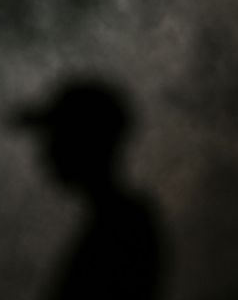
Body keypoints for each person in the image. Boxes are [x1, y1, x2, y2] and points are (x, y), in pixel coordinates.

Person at [13, 78, 162, 300]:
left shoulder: (120, 232)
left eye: (58, 136)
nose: (47, 152)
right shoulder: (123, 222)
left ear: (85, 142)